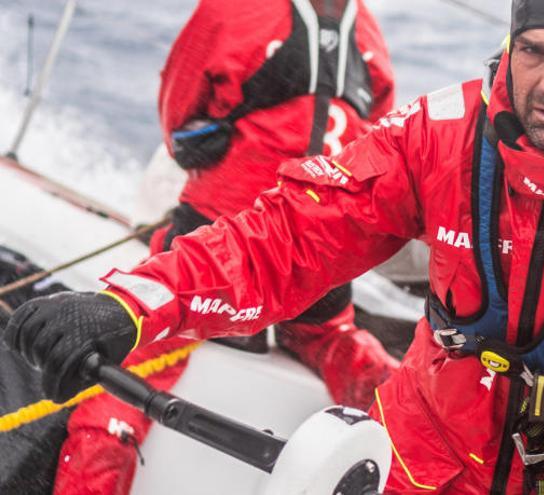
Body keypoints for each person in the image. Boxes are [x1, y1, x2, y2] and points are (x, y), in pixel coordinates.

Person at [4, 0, 544, 493]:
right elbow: (288, 235)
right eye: (535, 50)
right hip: (424, 461)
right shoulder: (439, 133)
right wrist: (131, 304)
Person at [33, 0, 398, 493]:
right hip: (313, 270)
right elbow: (378, 146)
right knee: (350, 353)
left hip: (216, 253)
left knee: (121, 387)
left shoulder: (234, 10)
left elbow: (179, 112)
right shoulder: (370, 39)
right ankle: (412, 441)